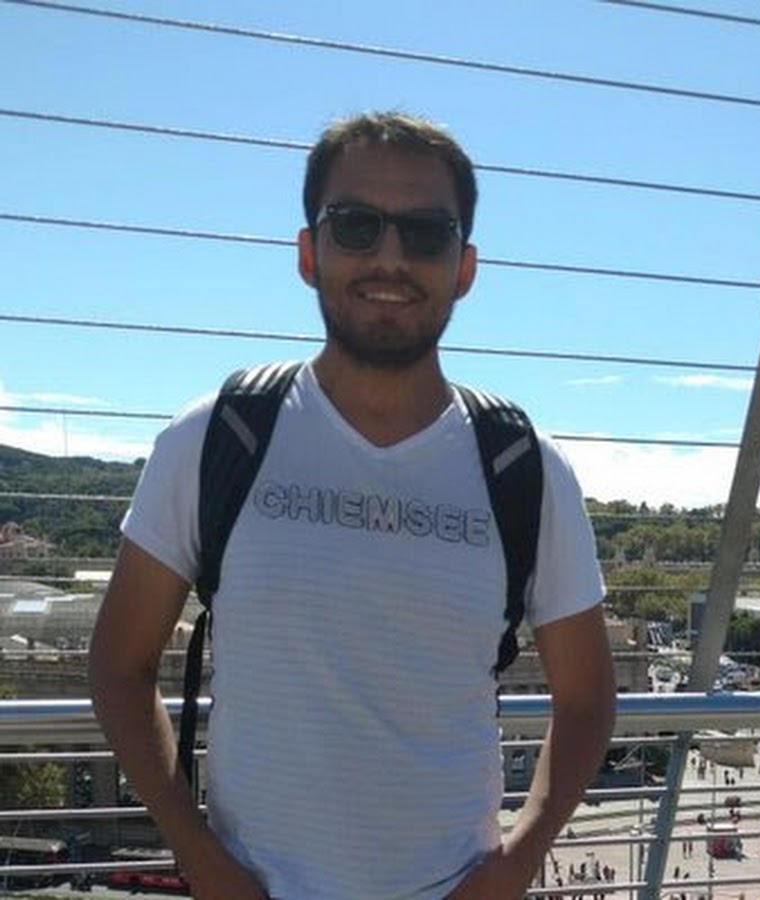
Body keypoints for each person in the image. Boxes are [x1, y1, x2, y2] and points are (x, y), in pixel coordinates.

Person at [89, 110, 616, 900]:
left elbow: (587, 699)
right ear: (310, 253)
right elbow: (118, 665)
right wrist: (197, 854)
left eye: (427, 233)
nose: (390, 258)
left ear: (465, 268)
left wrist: (517, 862)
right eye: (356, 225)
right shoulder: (213, 438)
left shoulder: (526, 468)